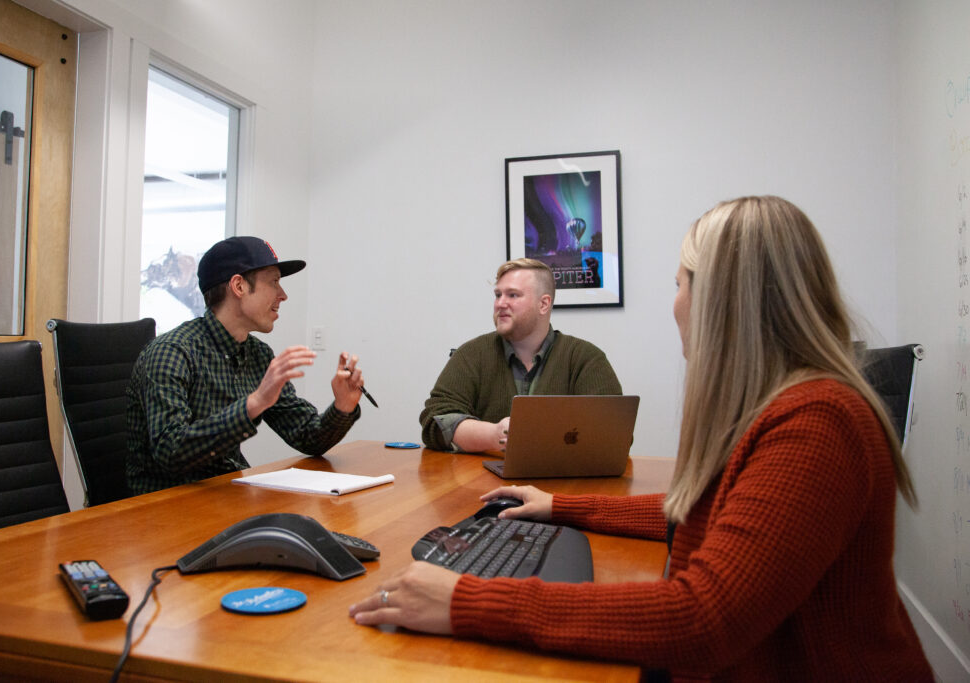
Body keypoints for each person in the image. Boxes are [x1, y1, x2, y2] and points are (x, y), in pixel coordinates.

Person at [351, 197, 932, 681]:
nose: (674, 303)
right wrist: (560, 506)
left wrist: (465, 601)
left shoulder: (815, 423)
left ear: (722, 299)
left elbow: (701, 619)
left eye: (679, 284)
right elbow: (704, 514)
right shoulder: (781, 406)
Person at [126, 236, 365, 495]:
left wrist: (343, 406)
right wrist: (253, 404)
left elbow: (307, 436)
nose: (283, 295)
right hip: (165, 509)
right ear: (238, 286)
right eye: (274, 282)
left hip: (226, 495)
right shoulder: (171, 353)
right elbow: (170, 451)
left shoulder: (258, 355)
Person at [419, 258, 622, 453]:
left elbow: (615, 434)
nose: (500, 303)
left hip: (561, 484)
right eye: (498, 295)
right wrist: (494, 435)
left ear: (543, 304)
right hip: (484, 483)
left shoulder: (586, 359)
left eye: (513, 295)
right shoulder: (471, 355)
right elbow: (434, 421)